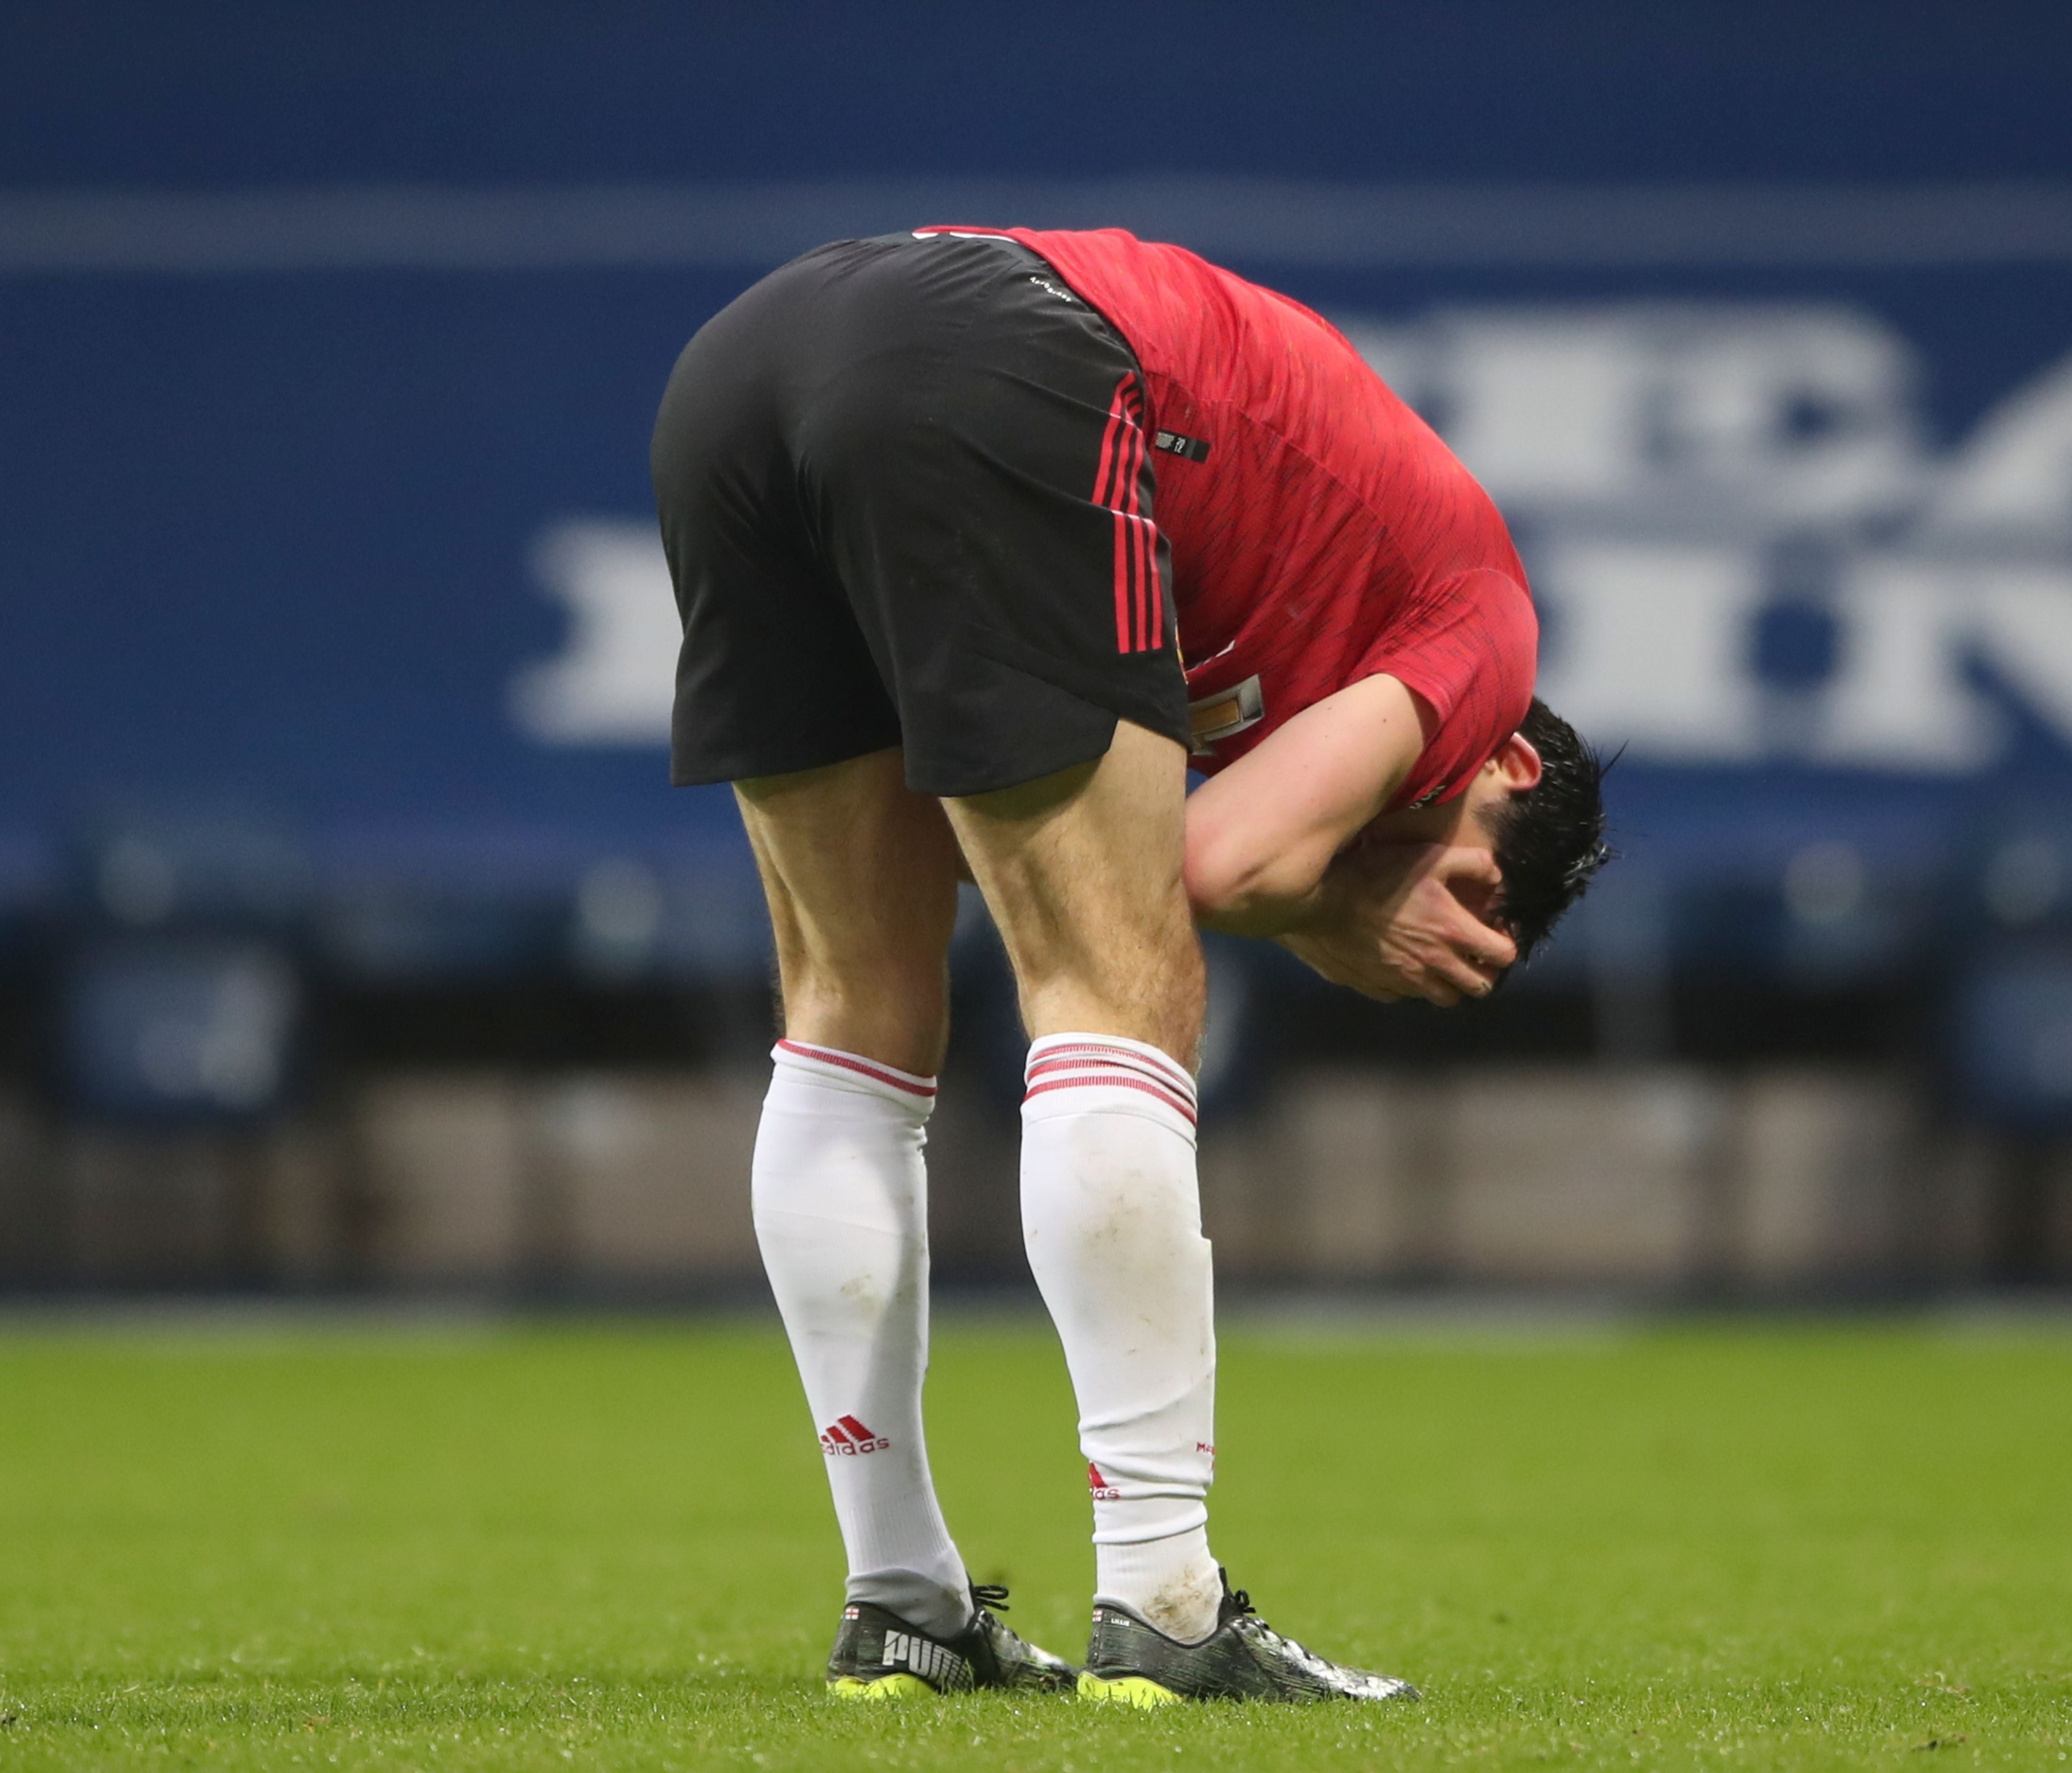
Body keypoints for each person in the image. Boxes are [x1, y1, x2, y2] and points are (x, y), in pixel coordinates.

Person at [650, 224, 1610, 1707]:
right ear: (1519, 768)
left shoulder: (1307, 638)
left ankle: (903, 1601)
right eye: (1467, 875)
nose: (1421, 890)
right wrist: (1338, 917)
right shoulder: (1485, 632)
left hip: (747, 369)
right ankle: (1164, 1600)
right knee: (1122, 991)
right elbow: (1225, 868)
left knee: (854, 1018)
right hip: (1008, 354)